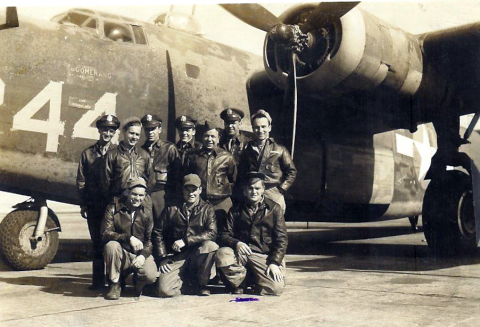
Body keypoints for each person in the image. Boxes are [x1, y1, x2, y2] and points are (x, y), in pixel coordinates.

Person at [215, 172, 288, 296]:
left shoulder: (274, 209)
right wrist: (236, 243)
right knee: (222, 254)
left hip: (263, 256)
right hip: (242, 254)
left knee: (276, 289)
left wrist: (275, 262)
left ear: (263, 189)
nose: (254, 192)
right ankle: (240, 282)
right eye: (250, 188)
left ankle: (255, 280)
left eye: (257, 188)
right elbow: (224, 234)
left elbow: (282, 239)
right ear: (245, 189)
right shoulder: (236, 210)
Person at [152, 174, 219, 297]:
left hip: (197, 255)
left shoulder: (207, 209)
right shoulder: (171, 209)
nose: (191, 193)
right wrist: (162, 257)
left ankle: (201, 284)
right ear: (182, 190)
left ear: (200, 190)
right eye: (187, 190)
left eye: (194, 190)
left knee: (210, 246)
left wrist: (186, 241)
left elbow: (212, 233)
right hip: (177, 256)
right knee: (164, 291)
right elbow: (157, 232)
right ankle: (186, 283)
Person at [76, 114, 120, 289]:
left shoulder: (118, 153)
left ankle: (114, 281)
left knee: (111, 242)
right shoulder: (88, 154)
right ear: (99, 130)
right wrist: (83, 203)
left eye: (111, 130)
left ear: (114, 133)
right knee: (96, 243)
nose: (107, 133)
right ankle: (97, 282)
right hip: (94, 205)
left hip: (112, 206)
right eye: (104, 129)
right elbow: (81, 181)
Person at [101, 178, 157, 300]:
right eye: (134, 194)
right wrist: (127, 237)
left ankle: (132, 280)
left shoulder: (146, 212)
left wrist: (143, 255)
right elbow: (105, 233)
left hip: (138, 254)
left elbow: (150, 239)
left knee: (150, 276)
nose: (138, 198)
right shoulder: (113, 208)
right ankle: (115, 283)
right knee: (111, 246)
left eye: (141, 195)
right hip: (122, 253)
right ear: (127, 192)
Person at [238, 109, 297, 213]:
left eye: (263, 127)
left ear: (269, 128)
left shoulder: (280, 149)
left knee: (275, 225)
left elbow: (291, 172)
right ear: (253, 128)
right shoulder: (247, 150)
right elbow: (242, 172)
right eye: (257, 127)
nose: (260, 130)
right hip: (253, 193)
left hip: (273, 192)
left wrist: (281, 189)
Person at [184, 121, 237, 227]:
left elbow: (233, 179)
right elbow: (186, 177)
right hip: (200, 203)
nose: (209, 139)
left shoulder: (227, 157)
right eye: (206, 136)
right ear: (202, 137)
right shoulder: (192, 156)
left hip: (221, 203)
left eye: (213, 136)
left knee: (223, 231)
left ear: (218, 138)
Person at [101, 117, 151, 202]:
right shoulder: (111, 155)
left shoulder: (144, 155)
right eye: (131, 133)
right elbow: (105, 183)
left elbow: (150, 180)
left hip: (138, 202)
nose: (134, 137)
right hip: (118, 202)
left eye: (137, 134)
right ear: (124, 131)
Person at [141, 114, 180, 220]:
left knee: (162, 228)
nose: (150, 132)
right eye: (147, 129)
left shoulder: (169, 149)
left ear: (160, 129)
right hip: (144, 195)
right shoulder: (140, 150)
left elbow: (177, 177)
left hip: (162, 195)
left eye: (153, 129)